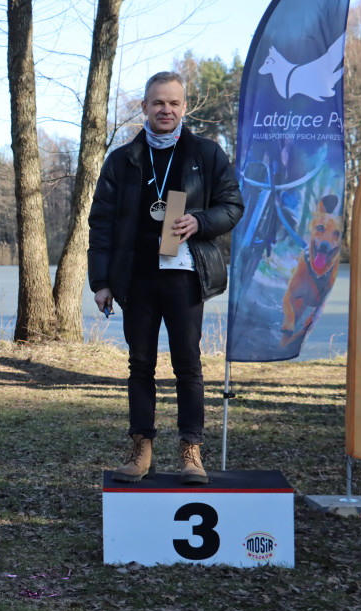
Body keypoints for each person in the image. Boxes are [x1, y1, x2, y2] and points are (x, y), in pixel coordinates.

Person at [87, 72, 244, 485]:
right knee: (140, 365)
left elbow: (232, 205)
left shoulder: (207, 154)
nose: (166, 110)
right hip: (136, 277)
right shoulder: (122, 159)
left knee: (188, 365)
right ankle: (141, 448)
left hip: (185, 275)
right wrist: (100, 282)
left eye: (174, 103)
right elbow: (100, 223)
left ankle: (191, 451)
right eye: (158, 103)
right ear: (143, 107)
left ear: (184, 107)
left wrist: (201, 220)